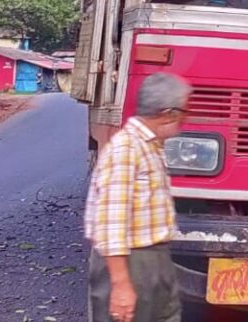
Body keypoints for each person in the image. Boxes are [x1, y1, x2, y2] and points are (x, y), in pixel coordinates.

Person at [84, 74, 191, 322]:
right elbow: (111, 224)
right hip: (132, 263)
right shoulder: (126, 149)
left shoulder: (150, 146)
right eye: (185, 112)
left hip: (155, 259)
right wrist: (121, 285)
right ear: (168, 113)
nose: (185, 120)